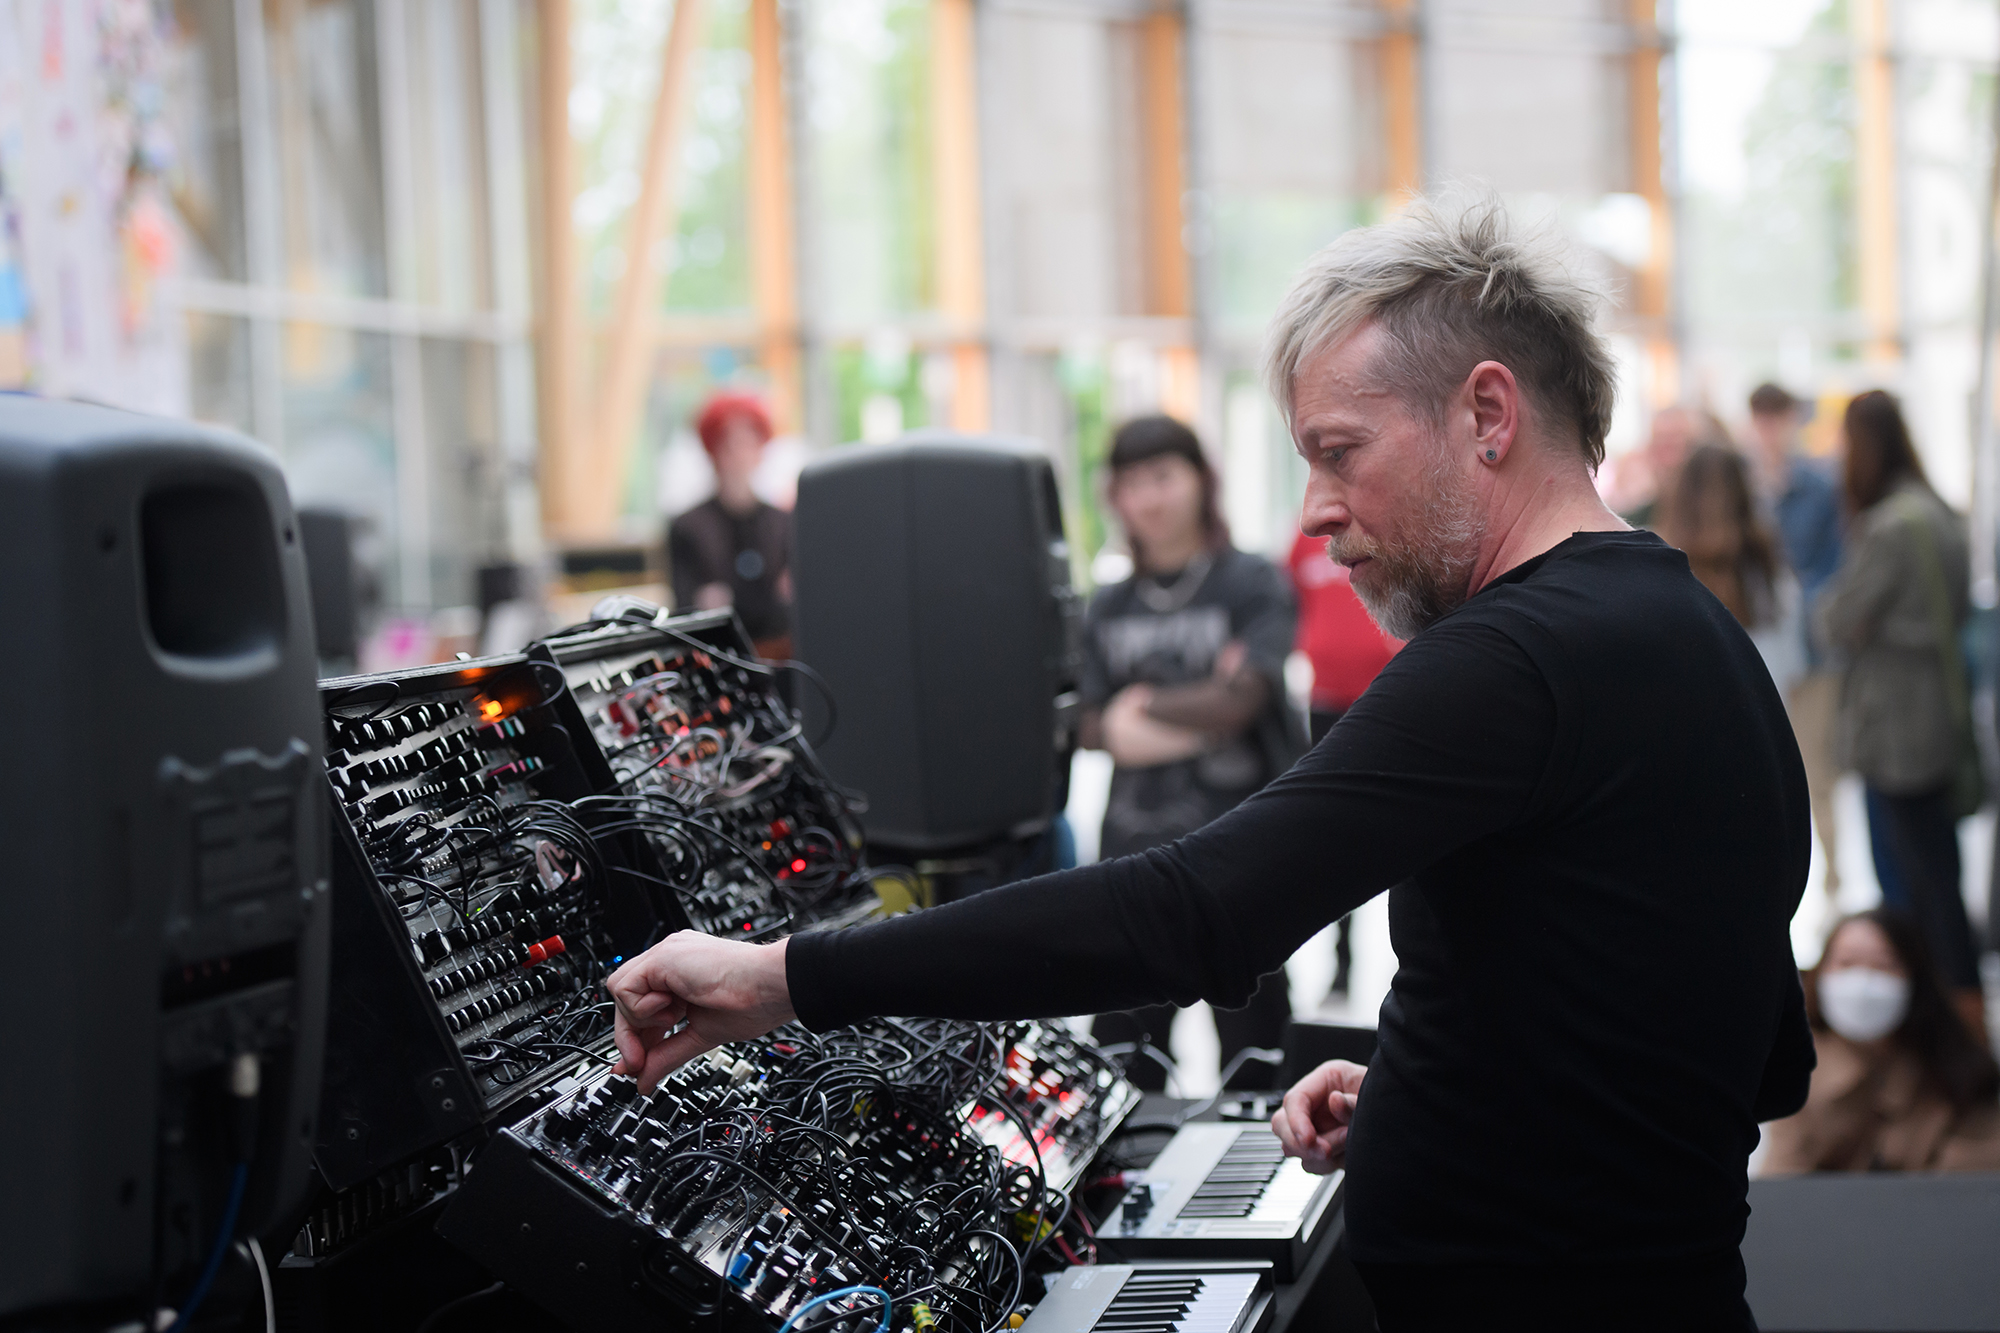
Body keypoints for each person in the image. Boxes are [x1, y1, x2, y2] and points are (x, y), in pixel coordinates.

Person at [604, 196, 1812, 1331]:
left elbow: (1189, 911)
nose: (1312, 510)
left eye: (1338, 451)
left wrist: (781, 978)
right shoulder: (1687, 633)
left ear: (1485, 415)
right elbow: (1748, 1056)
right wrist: (1426, 1086)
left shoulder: (1509, 661)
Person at [1078, 415, 1301, 1090]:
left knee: (1260, 1079)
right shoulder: (1105, 605)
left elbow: (1243, 701)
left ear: (1202, 481)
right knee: (1123, 1081)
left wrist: (1139, 704)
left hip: (1241, 862)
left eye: (1163, 476)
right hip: (1133, 867)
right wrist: (1206, 703)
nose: (1149, 497)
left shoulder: (1250, 581)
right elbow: (1088, 726)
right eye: (1131, 483)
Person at [1815, 390, 1985, 1038]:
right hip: (1937, 714)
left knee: (1915, 882)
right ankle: (1960, 1012)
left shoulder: (1888, 526)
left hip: (1896, 728)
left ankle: (1950, 1021)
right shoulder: (1938, 511)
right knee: (1939, 870)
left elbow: (1833, 618)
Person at [1762, 908, 2000, 1173]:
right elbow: (1781, 1183)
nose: (1863, 982)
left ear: (1916, 979)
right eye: (1846, 964)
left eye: (1883, 965)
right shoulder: (1794, 1070)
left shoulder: (1961, 1072)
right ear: (1819, 976)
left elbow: (1974, 1185)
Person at [1287, 529, 1401, 996]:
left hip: (1390, 693)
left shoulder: (1386, 525)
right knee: (1336, 831)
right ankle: (1341, 960)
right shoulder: (1305, 542)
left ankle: (1411, 959)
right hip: (1325, 702)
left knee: (1398, 829)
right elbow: (1289, 600)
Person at [1746, 383, 1846, 895]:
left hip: (1810, 651)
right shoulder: (1741, 487)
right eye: (1761, 418)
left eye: (1775, 417)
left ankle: (1832, 881)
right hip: (1757, 648)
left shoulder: (1819, 484)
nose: (1769, 430)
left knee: (1818, 771)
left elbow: (1830, 569)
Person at [1658, 443, 1804, 694]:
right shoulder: (1764, 557)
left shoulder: (1662, 566)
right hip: (1763, 701)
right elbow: (1791, 658)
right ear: (1743, 492)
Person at [666, 390, 793, 658]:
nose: (739, 454)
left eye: (749, 442)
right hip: (720, 657)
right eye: (730, 443)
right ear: (713, 451)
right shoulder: (689, 527)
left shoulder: (782, 523)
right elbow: (683, 608)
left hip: (781, 655)